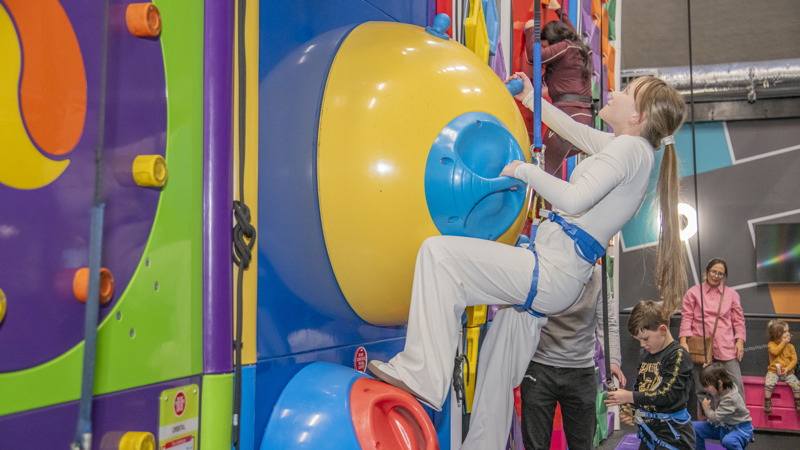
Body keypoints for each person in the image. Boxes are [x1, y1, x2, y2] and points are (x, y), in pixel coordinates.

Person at [368, 72, 687, 450]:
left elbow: (573, 200)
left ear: (638, 117)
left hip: (552, 271)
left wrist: (524, 170)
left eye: (626, 92)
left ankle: (422, 375)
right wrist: (535, 99)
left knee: (440, 256)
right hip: (556, 273)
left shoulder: (629, 151)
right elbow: (573, 131)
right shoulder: (633, 150)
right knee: (496, 370)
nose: (614, 93)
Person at [520, 264, 626, 450]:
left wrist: (613, 360)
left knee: (582, 445)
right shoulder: (542, 266)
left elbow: (607, 323)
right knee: (535, 445)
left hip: (580, 370)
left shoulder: (598, 276)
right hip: (540, 367)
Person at [606, 300, 696, 450]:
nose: (642, 345)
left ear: (662, 329)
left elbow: (667, 394)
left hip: (673, 436)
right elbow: (641, 386)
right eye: (639, 340)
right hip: (649, 433)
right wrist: (632, 409)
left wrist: (629, 396)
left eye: (645, 339)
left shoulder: (678, 355)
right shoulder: (646, 353)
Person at [525, 1, 594, 178]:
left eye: (546, 45)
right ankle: (550, 206)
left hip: (568, 116)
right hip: (585, 119)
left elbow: (535, 57)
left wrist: (531, 30)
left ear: (553, 40)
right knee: (550, 172)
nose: (548, 50)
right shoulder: (580, 49)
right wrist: (558, 10)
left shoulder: (565, 47)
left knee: (544, 172)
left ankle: (544, 206)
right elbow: (574, 34)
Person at [679, 258, 746, 419]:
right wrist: (683, 342)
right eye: (713, 272)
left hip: (726, 346)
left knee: (735, 384)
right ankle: (709, 421)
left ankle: (741, 423)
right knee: (702, 388)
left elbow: (738, 320)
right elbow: (686, 318)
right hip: (699, 347)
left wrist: (740, 341)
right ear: (707, 272)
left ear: (724, 276)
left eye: (720, 273)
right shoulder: (693, 292)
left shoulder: (731, 294)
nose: (716, 276)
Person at [693, 363, 754, 450]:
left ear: (719, 383)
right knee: (694, 428)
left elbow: (715, 417)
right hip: (725, 426)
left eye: (707, 386)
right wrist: (708, 370)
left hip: (740, 430)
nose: (705, 389)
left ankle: (742, 441)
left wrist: (706, 408)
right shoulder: (724, 387)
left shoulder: (730, 398)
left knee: (729, 441)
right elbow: (720, 372)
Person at [763, 319, 800, 413]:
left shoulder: (791, 347)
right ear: (776, 334)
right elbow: (775, 352)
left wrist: (788, 368)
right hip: (774, 372)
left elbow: (794, 360)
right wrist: (783, 343)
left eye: (788, 331)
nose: (788, 333)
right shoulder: (771, 344)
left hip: (788, 373)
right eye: (785, 331)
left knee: (796, 384)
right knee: (769, 382)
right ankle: (767, 401)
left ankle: (798, 402)